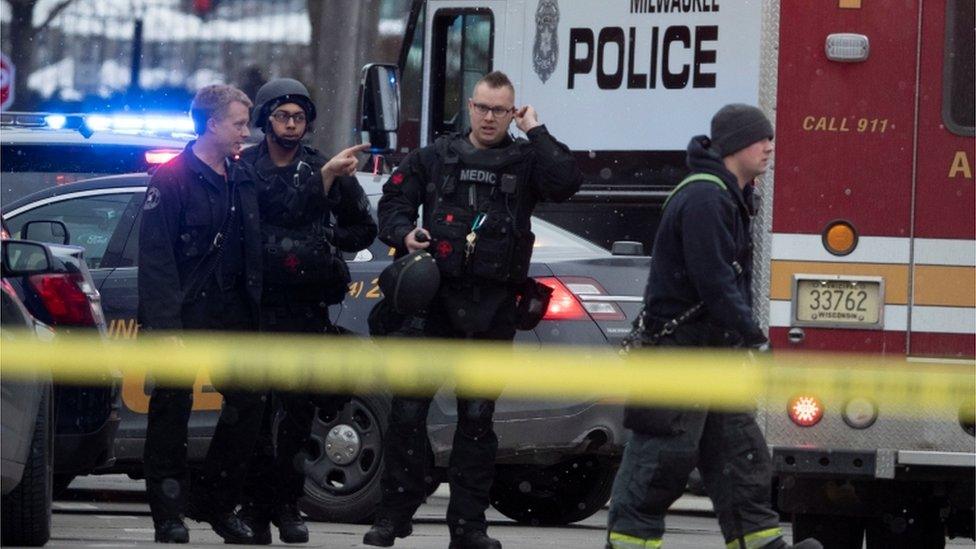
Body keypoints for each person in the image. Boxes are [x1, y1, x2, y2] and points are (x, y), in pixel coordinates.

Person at [363, 70, 584, 549]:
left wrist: (537, 132)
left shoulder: (526, 161)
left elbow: (567, 181)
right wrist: (405, 234)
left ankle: (467, 527)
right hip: (433, 307)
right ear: (469, 106)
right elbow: (392, 201)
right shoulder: (435, 157)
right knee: (406, 415)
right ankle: (392, 516)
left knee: (477, 423)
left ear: (513, 112)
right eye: (483, 108)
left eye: (500, 110)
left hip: (491, 309)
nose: (489, 118)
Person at [605, 104, 821, 549]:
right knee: (657, 467)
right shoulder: (706, 198)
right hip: (679, 359)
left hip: (712, 356)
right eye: (762, 139)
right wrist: (754, 337)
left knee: (739, 462)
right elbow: (715, 281)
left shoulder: (723, 195)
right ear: (738, 144)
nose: (769, 148)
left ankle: (760, 543)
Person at [234, 77, 377, 545]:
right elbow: (276, 207)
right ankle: (254, 509)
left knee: (297, 414)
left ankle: (287, 507)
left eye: (298, 117)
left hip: (303, 309)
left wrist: (325, 243)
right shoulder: (246, 169)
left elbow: (363, 228)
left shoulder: (325, 168)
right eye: (282, 116)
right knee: (254, 415)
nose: (291, 125)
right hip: (255, 309)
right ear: (265, 120)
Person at [138, 84, 264, 544]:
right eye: (237, 123)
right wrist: (166, 329)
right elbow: (156, 260)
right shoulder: (171, 178)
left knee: (249, 404)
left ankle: (214, 502)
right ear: (211, 124)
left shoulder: (241, 175)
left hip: (232, 318)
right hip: (184, 317)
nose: (244, 133)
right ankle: (168, 515)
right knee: (171, 413)